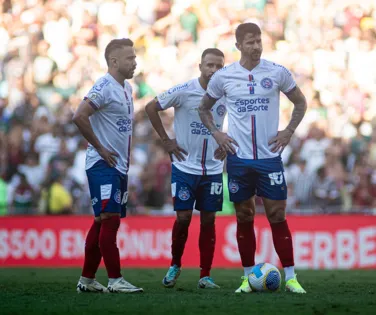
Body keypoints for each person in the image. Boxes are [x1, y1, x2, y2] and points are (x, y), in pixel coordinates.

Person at [198, 23, 307, 294]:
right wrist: (217, 134)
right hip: (239, 158)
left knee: (277, 214)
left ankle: (291, 278)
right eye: (250, 42)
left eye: (258, 41)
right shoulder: (224, 77)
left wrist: (289, 131)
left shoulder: (277, 71)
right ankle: (248, 277)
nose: (256, 46)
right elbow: (203, 109)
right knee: (244, 216)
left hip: (270, 157)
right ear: (238, 46)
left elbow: (301, 102)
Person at [145, 48, 226, 289]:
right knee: (183, 217)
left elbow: (240, 120)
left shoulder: (226, 93)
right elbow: (151, 107)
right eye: (209, 65)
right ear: (200, 66)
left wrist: (228, 142)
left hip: (212, 168)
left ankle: (205, 275)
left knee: (209, 220)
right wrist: (165, 140)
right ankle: (175, 264)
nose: (213, 70)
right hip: (184, 166)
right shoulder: (184, 91)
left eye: (218, 67)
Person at [73, 38, 143, 293]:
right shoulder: (104, 86)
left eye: (135, 57)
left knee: (102, 221)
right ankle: (115, 279)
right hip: (103, 164)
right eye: (130, 58)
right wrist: (101, 149)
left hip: (118, 166)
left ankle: (87, 280)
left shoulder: (126, 88)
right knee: (109, 219)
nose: (135, 62)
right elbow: (79, 116)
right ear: (114, 61)